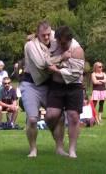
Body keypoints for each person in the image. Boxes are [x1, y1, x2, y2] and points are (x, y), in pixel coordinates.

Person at [21, 21, 68, 157]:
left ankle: (59, 149)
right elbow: (42, 64)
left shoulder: (54, 38)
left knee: (59, 117)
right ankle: (33, 150)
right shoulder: (30, 45)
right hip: (30, 84)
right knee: (32, 119)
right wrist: (62, 57)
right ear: (37, 34)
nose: (47, 37)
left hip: (49, 84)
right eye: (43, 35)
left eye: (48, 34)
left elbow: (67, 37)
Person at [45, 25, 85, 158]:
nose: (61, 45)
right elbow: (44, 63)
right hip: (56, 85)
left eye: (64, 43)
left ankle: (72, 150)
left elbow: (74, 74)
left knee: (73, 116)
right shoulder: (54, 42)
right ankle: (59, 145)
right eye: (59, 42)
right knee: (51, 116)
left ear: (69, 39)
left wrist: (55, 69)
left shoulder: (77, 50)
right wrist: (60, 58)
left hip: (74, 86)